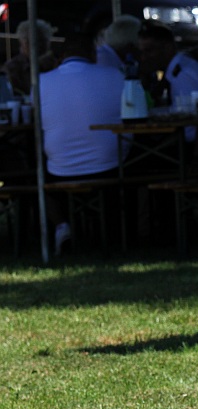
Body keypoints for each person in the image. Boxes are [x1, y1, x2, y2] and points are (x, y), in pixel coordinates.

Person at [38, 33, 125, 255]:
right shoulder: (115, 75)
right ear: (93, 54)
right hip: (112, 166)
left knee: (34, 167)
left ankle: (61, 224)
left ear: (62, 56)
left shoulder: (39, 82)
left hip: (59, 169)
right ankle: (124, 232)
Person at [136, 20, 198, 152]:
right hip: (193, 141)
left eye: (149, 51)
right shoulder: (179, 68)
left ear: (168, 48)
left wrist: (197, 160)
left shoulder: (183, 74)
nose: (143, 57)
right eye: (142, 52)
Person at [2, 19, 58, 96]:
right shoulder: (12, 68)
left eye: (45, 41)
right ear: (24, 42)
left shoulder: (55, 65)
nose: (43, 45)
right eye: (39, 41)